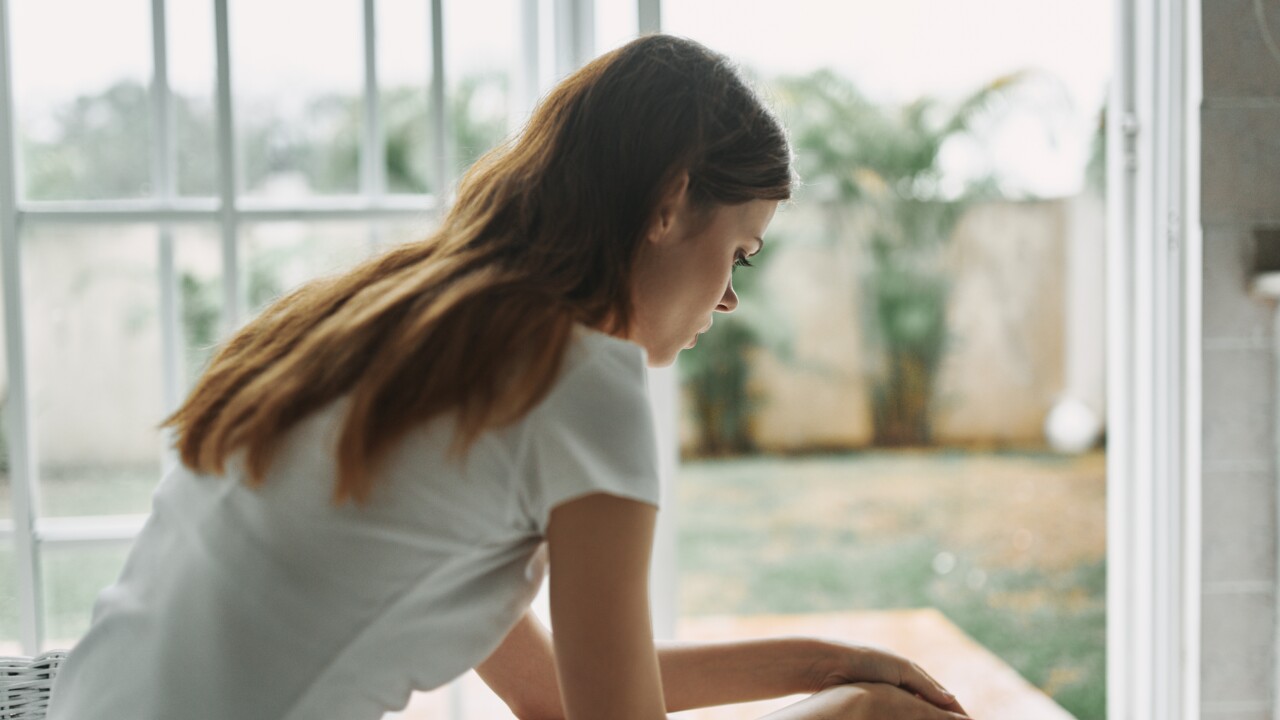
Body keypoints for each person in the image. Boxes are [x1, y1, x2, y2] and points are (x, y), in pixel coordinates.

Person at [47, 34, 971, 720]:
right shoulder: (581, 382)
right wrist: (854, 708)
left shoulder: (391, 324)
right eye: (741, 252)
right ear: (669, 200)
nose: (728, 298)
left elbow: (553, 693)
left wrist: (822, 664)